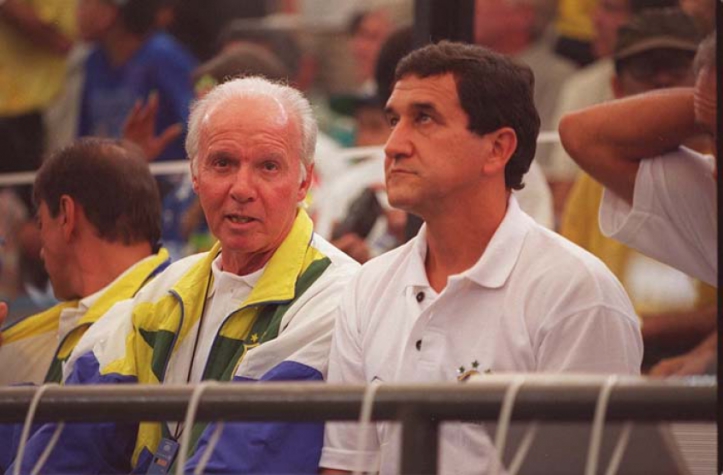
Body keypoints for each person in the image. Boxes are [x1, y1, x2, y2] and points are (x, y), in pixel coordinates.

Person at [319, 41, 642, 474]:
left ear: (497, 148)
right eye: (394, 120)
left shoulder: (577, 293)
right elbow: (346, 465)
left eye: (425, 119)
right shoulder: (367, 286)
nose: (393, 145)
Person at [12, 77, 359, 474]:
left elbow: (244, 460)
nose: (241, 188)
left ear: (303, 181)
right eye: (223, 163)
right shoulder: (163, 293)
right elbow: (68, 445)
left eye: (268, 166)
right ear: (194, 175)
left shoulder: (336, 296)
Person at [559, 8, 714, 374]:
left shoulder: (706, 174)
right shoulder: (596, 176)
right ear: (616, 88)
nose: (662, 80)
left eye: (677, 67)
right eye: (645, 71)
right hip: (617, 358)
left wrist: (700, 352)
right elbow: (582, 133)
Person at [0, 138, 170, 386]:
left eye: (41, 224)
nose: (41, 252)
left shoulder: (138, 327)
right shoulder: (184, 306)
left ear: (67, 217)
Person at [76, 0, 197, 164]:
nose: (78, 12)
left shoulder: (164, 56)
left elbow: (196, 121)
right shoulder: (94, 61)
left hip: (165, 176)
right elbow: (84, 136)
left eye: (86, 3)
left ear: (111, 11)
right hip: (115, 176)